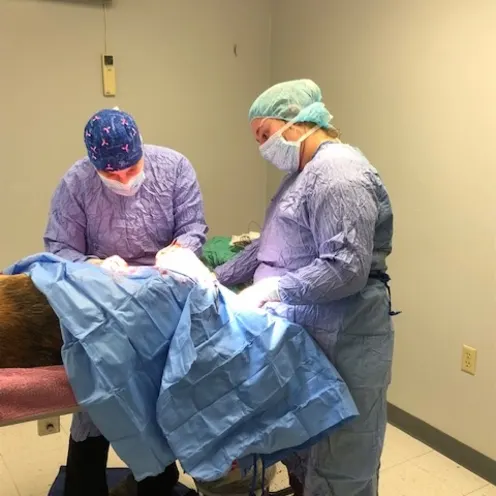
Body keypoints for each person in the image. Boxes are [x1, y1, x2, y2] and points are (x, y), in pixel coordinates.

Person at [215, 79, 396, 496]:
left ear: (296, 122)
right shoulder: (303, 174)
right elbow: (273, 241)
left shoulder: (339, 174)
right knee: (304, 448)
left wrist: (274, 290)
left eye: (264, 134)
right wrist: (218, 277)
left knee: (340, 459)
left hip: (344, 337)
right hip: (311, 334)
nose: (262, 146)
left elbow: (346, 269)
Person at [44, 108, 208, 496]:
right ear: (94, 165)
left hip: (162, 297)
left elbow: (193, 227)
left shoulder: (174, 168)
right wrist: (95, 264)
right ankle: (84, 484)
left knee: (157, 399)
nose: (123, 180)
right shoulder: (76, 183)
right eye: (111, 175)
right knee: (97, 401)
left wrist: (178, 252)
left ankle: (158, 479)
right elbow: (58, 249)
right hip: (103, 302)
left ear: (141, 151)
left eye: (131, 169)